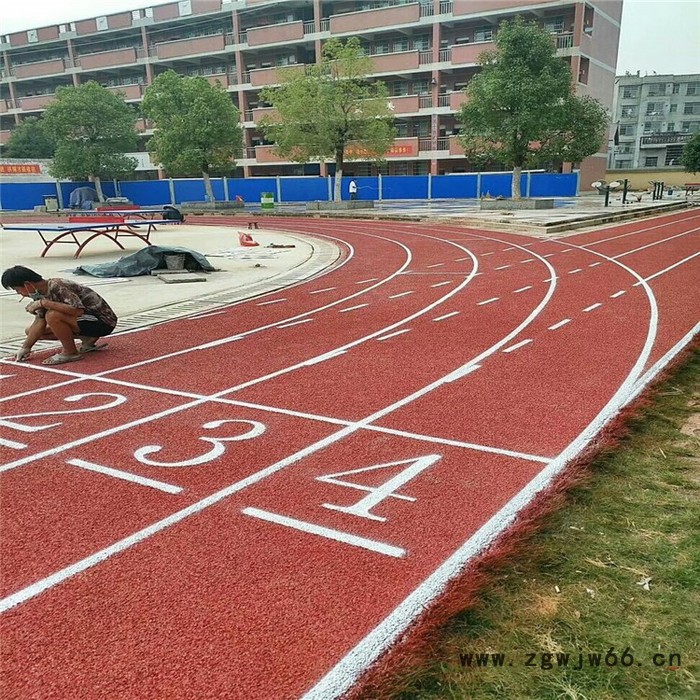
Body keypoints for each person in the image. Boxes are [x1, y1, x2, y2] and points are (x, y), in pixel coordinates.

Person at [2, 266, 117, 366]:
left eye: (17, 289)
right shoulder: (38, 293)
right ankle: (87, 337)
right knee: (31, 332)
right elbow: (39, 321)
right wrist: (26, 347)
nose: (18, 293)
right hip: (84, 322)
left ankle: (70, 352)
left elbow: (77, 310)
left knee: (53, 316)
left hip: (103, 321)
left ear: (27, 284)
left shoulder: (58, 285)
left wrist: (45, 303)